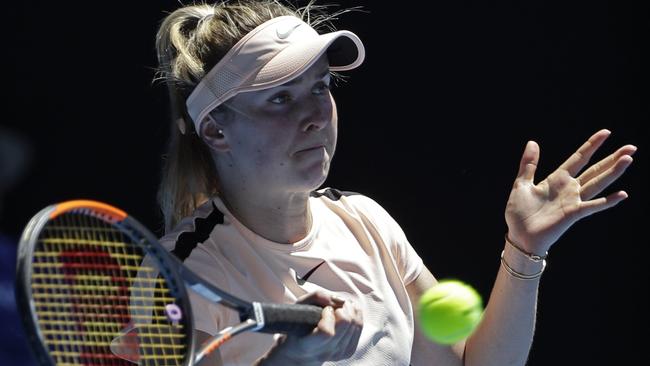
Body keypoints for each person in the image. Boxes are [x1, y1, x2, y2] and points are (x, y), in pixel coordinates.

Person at [152, 1, 636, 365]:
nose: (316, 115)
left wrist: (525, 249)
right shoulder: (176, 276)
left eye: (320, 87)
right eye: (280, 98)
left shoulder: (366, 221)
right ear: (216, 130)